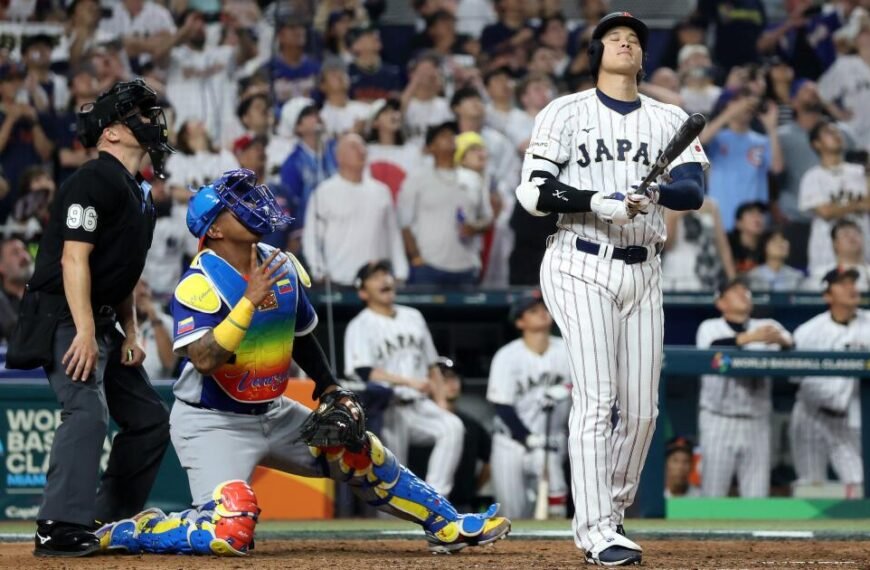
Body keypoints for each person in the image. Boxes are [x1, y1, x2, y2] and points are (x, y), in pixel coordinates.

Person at [95, 172, 510, 556]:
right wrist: (247, 303)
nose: (250, 204)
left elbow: (301, 335)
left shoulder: (280, 265)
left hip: (273, 411)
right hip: (213, 421)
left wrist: (329, 386)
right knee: (229, 529)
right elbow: (204, 359)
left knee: (360, 453)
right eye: (234, 203)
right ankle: (139, 529)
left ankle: (447, 524)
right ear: (215, 229)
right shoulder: (198, 283)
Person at [514, 12, 709, 566]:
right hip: (579, 259)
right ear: (596, 52)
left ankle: (610, 511)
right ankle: (596, 529)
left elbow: (693, 188)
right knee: (598, 398)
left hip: (645, 266)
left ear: (643, 58)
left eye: (634, 40)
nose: (626, 42)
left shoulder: (667, 115)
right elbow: (534, 193)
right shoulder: (565, 112)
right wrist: (597, 200)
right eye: (614, 38)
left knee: (644, 411)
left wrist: (658, 195)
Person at [12, 79, 174, 557]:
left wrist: (132, 328)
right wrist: (84, 330)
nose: (149, 121)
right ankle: (57, 527)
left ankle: (105, 520)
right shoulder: (93, 178)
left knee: (147, 420)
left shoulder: (139, 193)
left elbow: (122, 271)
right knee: (86, 410)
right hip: (63, 313)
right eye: (135, 116)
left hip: (100, 317)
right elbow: (73, 260)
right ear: (110, 134)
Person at [344, 260, 466, 496]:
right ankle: (389, 523)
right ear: (362, 291)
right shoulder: (360, 325)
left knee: (452, 427)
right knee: (390, 477)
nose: (384, 279)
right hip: (387, 408)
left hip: (419, 404)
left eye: (386, 274)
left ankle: (436, 497)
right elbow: (365, 371)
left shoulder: (413, 317)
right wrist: (408, 381)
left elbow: (431, 364)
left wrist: (441, 402)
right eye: (376, 277)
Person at [696, 278, 793, 498]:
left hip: (756, 420)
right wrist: (751, 338)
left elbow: (791, 342)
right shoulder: (710, 327)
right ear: (721, 303)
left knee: (757, 495)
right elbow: (712, 350)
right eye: (734, 290)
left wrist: (781, 340)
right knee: (713, 492)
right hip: (719, 419)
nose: (743, 293)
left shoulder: (767, 324)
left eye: (745, 290)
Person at [486, 292, 571, 520]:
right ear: (520, 322)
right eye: (533, 311)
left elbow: (589, 386)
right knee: (512, 511)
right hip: (511, 442)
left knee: (556, 489)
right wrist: (526, 437)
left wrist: (569, 389)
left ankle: (557, 545)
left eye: (543, 308)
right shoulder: (507, 356)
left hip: (551, 439)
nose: (542, 313)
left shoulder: (567, 350)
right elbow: (501, 405)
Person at [789, 267, 867, 497]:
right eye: (842, 284)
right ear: (827, 295)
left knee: (859, 484)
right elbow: (796, 379)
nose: (851, 288)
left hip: (847, 420)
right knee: (811, 485)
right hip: (810, 414)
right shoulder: (809, 331)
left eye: (853, 282)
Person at [302, 134, 408, 286]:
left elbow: (393, 235)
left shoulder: (382, 191)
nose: (361, 151)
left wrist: (400, 272)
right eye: (354, 147)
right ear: (339, 157)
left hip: (376, 281)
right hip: (339, 279)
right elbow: (311, 238)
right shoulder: (324, 192)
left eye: (363, 146)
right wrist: (319, 272)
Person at [399, 121, 492, 286]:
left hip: (467, 266)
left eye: (452, 135)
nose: (450, 138)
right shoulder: (417, 179)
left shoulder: (473, 179)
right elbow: (404, 223)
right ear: (430, 147)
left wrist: (475, 227)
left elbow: (487, 218)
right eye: (443, 136)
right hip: (428, 266)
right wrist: (415, 256)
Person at [700, 89, 783, 232]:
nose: (745, 106)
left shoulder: (762, 141)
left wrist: (771, 127)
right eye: (738, 101)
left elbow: (777, 167)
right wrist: (731, 112)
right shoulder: (718, 138)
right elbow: (701, 142)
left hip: (754, 220)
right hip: (721, 218)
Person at [799, 120, 870, 277]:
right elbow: (825, 212)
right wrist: (858, 204)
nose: (837, 135)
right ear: (816, 144)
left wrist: (841, 207)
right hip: (825, 252)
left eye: (837, 131)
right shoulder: (812, 176)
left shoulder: (861, 172)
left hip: (862, 248)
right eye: (828, 133)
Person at [277, 99, 338, 252]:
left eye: (315, 112)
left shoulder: (337, 149)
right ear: (297, 127)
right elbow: (292, 205)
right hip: (311, 233)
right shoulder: (292, 164)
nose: (315, 116)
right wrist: (296, 235)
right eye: (307, 114)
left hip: (343, 222)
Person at [437, 357, 493, 513]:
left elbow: (489, 460)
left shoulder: (471, 424)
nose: (452, 383)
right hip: (420, 504)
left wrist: (472, 489)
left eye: (454, 378)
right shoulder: (417, 424)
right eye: (444, 378)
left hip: (462, 504)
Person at [662, 197, 736, 291]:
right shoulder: (667, 202)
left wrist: (733, 279)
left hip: (708, 269)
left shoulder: (711, 205)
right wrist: (677, 214)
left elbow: (722, 246)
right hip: (678, 269)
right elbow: (668, 246)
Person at [807, 219, 870, 291]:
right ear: (835, 243)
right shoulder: (822, 273)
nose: (852, 237)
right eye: (846, 234)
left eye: (856, 233)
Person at [132, 278, 175, 379]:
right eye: (140, 295)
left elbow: (169, 363)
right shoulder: (120, 326)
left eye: (145, 286)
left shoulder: (167, 322)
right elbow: (129, 359)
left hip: (159, 388)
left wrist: (154, 320)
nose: (144, 291)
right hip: (130, 385)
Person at [318, 60, 371, 138]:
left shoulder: (365, 108)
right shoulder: (322, 118)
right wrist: (353, 132)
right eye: (333, 74)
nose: (339, 76)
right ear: (323, 86)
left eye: (342, 73)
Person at [0, 238, 33, 343]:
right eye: (15, 253)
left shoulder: (48, 296)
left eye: (24, 250)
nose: (24, 255)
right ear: (1, 267)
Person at [728, 201, 767, 274]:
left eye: (760, 213)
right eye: (751, 213)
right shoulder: (727, 245)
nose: (757, 217)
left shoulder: (769, 246)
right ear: (739, 223)